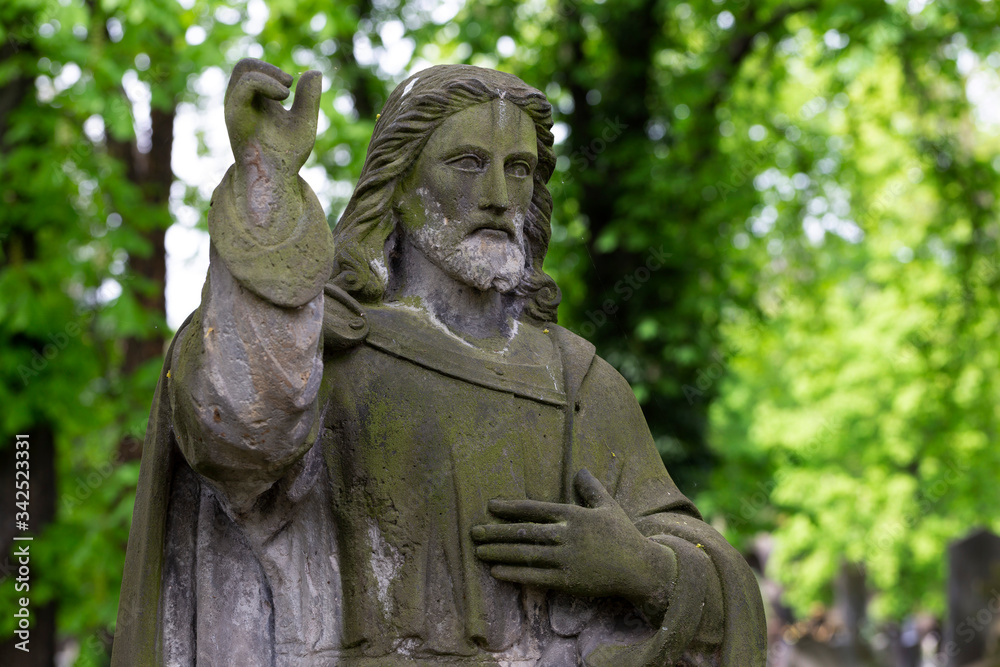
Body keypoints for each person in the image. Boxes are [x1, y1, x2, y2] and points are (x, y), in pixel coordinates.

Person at [112, 59, 766, 666]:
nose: (497, 195)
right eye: (467, 162)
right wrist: (266, 185)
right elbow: (238, 427)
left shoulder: (578, 381)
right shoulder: (326, 350)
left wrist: (643, 568)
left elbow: (717, 582)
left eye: (518, 170)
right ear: (397, 185)